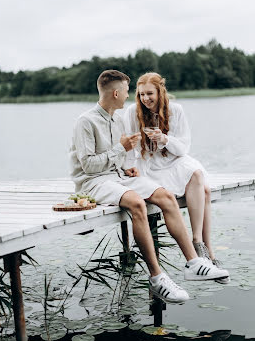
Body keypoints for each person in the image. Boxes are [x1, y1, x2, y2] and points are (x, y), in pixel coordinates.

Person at [69, 70, 229, 304]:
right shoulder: (86, 121)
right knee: (136, 203)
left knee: (165, 196)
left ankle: (194, 262)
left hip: (117, 176)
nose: (130, 97)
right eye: (127, 91)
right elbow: (89, 166)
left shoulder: (116, 119)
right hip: (94, 182)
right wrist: (121, 150)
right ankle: (157, 277)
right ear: (116, 93)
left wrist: (126, 167)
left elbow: (121, 157)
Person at [124, 72, 229, 283]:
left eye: (150, 94)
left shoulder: (176, 110)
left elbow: (183, 148)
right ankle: (208, 255)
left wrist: (164, 139)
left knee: (197, 174)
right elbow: (129, 149)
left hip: (173, 160)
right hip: (148, 165)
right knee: (205, 192)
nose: (146, 99)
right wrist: (130, 165)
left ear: (160, 91)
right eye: (142, 94)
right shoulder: (131, 112)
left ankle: (198, 241)